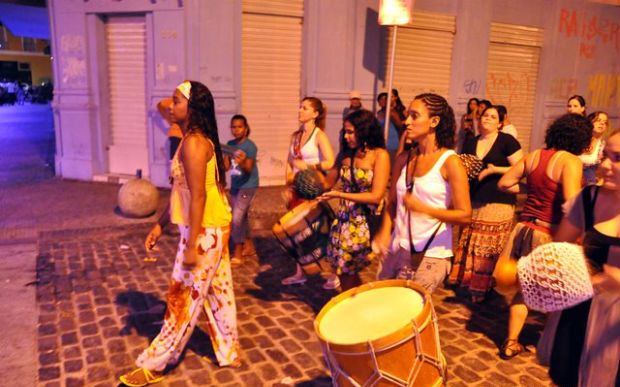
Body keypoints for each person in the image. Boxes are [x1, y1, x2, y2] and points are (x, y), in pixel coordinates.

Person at [120, 81, 239, 387]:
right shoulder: (191, 138)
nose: (170, 107)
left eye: (177, 101)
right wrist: (162, 224)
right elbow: (182, 192)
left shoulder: (195, 143)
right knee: (218, 292)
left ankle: (157, 363)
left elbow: (198, 197)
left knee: (180, 297)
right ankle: (229, 351)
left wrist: (191, 246)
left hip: (205, 232)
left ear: (192, 107)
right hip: (210, 227)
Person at [493, 113, 592, 360]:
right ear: (581, 139)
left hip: (524, 229)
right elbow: (571, 202)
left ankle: (511, 342)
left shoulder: (534, 155)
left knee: (522, 290)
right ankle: (548, 345)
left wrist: (530, 188)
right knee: (556, 293)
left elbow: (504, 183)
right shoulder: (570, 160)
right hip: (549, 234)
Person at [539, 128, 620, 386]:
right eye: (604, 155)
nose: (605, 165)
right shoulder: (589, 198)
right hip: (581, 314)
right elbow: (559, 248)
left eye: (617, 158)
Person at [374, 93, 471, 293]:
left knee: (408, 313)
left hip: (431, 253)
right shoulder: (404, 159)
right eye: (408, 115)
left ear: (434, 121)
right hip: (397, 247)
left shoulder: (451, 162)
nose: (407, 121)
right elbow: (392, 202)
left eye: (414, 116)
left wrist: (425, 209)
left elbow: (465, 215)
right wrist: (384, 233)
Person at [449, 105, 523, 303]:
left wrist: (493, 170)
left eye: (493, 116)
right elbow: (462, 168)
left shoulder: (507, 141)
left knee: (488, 246)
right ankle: (471, 283)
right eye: (485, 116)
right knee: (472, 243)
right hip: (474, 198)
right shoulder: (471, 141)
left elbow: (520, 167)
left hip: (499, 200)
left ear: (500, 123)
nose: (487, 119)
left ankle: (484, 287)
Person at [319, 109, 390, 291]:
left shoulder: (379, 155)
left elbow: (376, 196)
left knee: (347, 271)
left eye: (351, 132)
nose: (347, 137)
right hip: (344, 221)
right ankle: (358, 307)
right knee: (343, 271)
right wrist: (307, 172)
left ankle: (358, 307)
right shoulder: (345, 155)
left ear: (364, 130)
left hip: (364, 222)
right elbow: (326, 183)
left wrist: (340, 195)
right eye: (345, 132)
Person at [282, 96, 335, 285]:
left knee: (317, 231)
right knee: (297, 232)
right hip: (296, 189)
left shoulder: (319, 135)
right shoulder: (295, 136)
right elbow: (289, 161)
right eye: (300, 107)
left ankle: (332, 273)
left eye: (305, 108)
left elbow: (330, 161)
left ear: (315, 114)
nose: (300, 111)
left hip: (311, 188)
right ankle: (300, 273)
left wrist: (309, 166)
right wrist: (288, 185)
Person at [223, 114, 259, 267]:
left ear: (245, 128)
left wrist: (242, 160)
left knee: (236, 218)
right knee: (242, 217)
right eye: (233, 127)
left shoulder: (250, 146)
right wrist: (225, 154)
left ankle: (238, 253)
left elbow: (249, 169)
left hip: (248, 185)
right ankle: (249, 247)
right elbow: (226, 167)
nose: (236, 130)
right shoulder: (230, 144)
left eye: (239, 127)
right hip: (236, 185)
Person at [580, 111, 609, 186]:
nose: (602, 123)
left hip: (591, 185)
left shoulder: (605, 147)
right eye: (598, 120)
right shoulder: (579, 141)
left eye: (605, 122)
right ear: (590, 122)